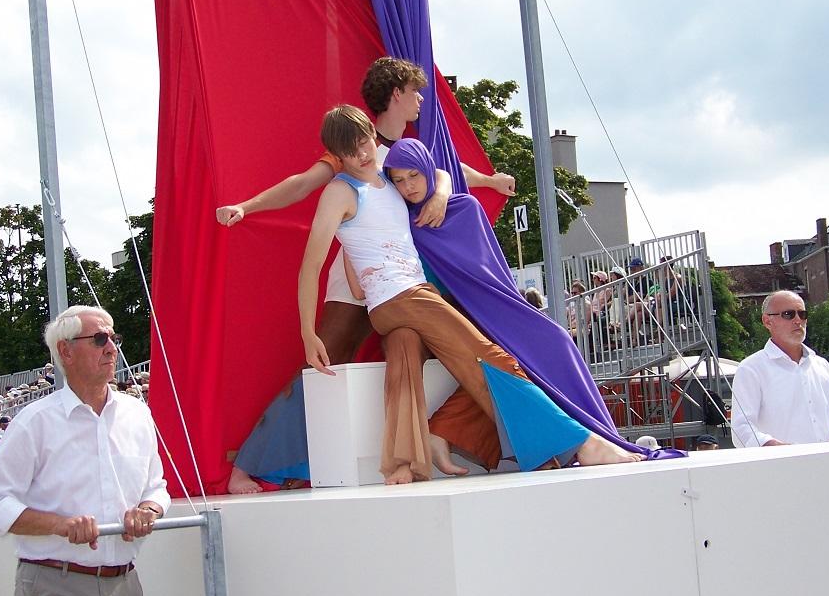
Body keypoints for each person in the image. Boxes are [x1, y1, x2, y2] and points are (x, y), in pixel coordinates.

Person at [217, 56, 515, 493]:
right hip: (357, 278)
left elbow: (444, 169)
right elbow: (302, 183)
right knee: (325, 359)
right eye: (415, 91)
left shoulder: (402, 151)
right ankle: (253, 463)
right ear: (396, 93)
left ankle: (435, 442)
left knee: (446, 346)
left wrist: (480, 183)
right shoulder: (354, 148)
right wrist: (248, 206)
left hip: (401, 278)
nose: (420, 100)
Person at [301, 106, 643, 484]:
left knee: (403, 356)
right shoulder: (339, 190)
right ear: (338, 156)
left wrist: (442, 194)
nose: (362, 154)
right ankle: (578, 444)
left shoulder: (387, 178)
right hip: (401, 296)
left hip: (402, 301)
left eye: (365, 142)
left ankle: (405, 463)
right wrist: (307, 333)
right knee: (491, 358)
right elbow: (310, 265)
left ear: (371, 134)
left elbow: (443, 170)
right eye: (350, 152)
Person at [382, 139, 682, 460]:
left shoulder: (465, 208)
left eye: (414, 175)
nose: (407, 186)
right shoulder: (399, 221)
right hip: (446, 312)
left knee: (557, 341)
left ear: (427, 171)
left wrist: (453, 190)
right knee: (510, 362)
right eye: (398, 180)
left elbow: (491, 272)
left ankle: (596, 435)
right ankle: (582, 444)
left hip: (494, 307)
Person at [0, 305, 170, 596]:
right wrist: (59, 525)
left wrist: (148, 509)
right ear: (65, 351)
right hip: (54, 584)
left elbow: (158, 486)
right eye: (99, 339)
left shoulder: (137, 414)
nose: (111, 347)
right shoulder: (35, 422)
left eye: (114, 338)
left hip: (121, 584)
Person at [730, 291, 829, 446]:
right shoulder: (751, 369)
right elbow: (742, 429)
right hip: (780, 467)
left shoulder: (823, 367)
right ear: (767, 321)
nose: (798, 320)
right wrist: (780, 450)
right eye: (788, 314)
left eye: (803, 314)